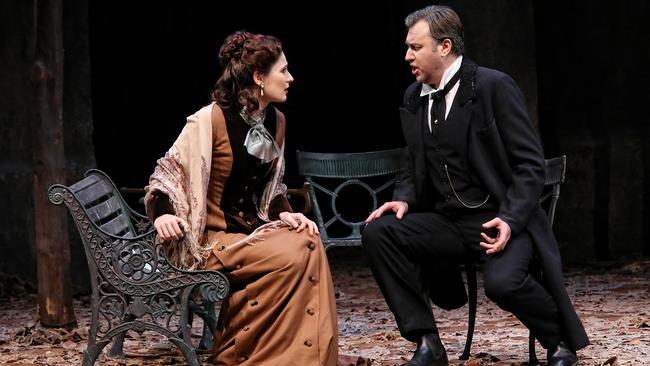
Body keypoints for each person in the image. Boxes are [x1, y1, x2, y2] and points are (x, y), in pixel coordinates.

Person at [362, 5, 588, 366]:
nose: (407, 56)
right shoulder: (413, 96)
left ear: (445, 47)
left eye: (415, 47)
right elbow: (412, 161)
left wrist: (511, 220)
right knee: (380, 232)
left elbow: (530, 165)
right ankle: (427, 344)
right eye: (407, 47)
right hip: (447, 222)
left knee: (503, 284)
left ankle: (558, 340)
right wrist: (403, 199)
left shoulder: (492, 87)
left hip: (498, 218)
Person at [144, 31, 337, 366]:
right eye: (284, 71)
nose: (291, 78)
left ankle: (300, 356)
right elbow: (167, 173)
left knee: (307, 237)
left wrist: (287, 213)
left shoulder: (276, 121)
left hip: (250, 235)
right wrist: (161, 213)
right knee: (299, 251)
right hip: (211, 241)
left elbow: (272, 187)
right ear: (259, 78)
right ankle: (260, 356)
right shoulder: (210, 119)